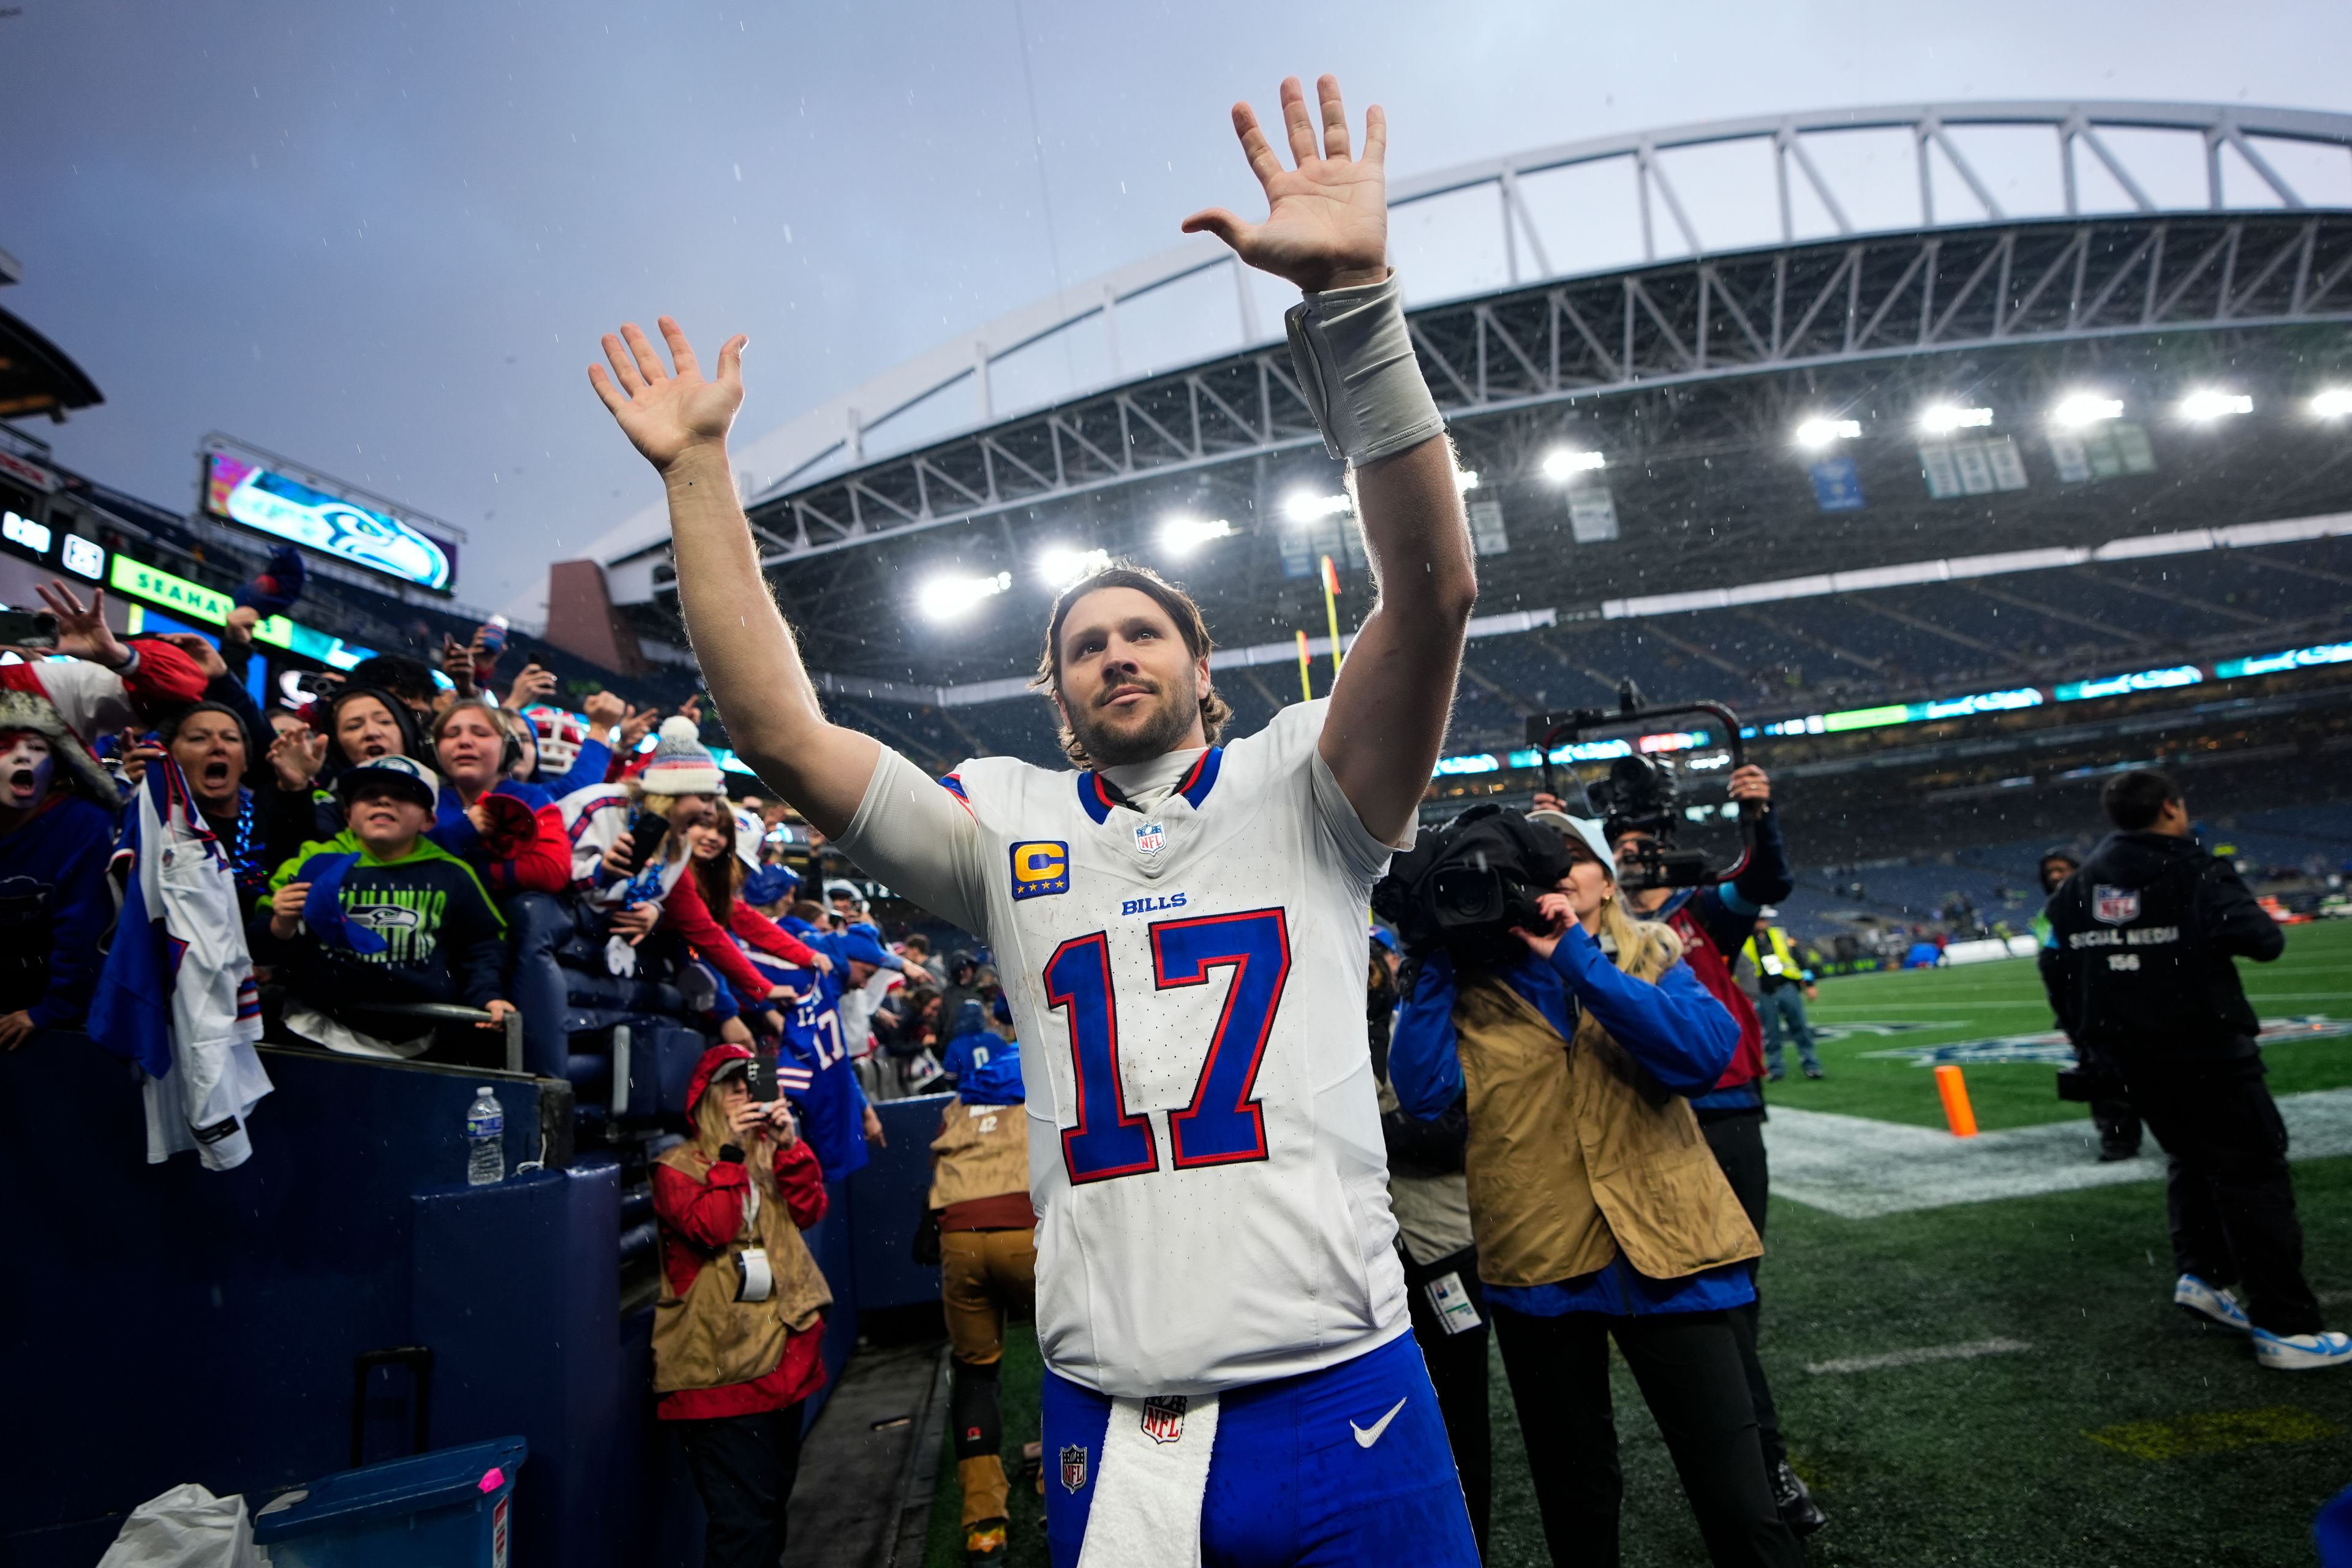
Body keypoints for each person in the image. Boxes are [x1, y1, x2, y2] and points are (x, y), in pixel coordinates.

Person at [590, 71, 1480, 1567]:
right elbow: (780, 737)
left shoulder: (1311, 787)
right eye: (1083, 643)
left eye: (1143, 632)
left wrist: (1355, 307)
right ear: (1055, 694)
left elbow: (1433, 586)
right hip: (1111, 1406)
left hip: (1342, 1382)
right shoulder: (1003, 823)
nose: (1115, 652)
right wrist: (696, 474)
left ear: (1205, 668)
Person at [1386, 813, 1803, 1568]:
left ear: (1605, 880)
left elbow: (1704, 1057)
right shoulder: (1465, 982)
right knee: (1577, 1507)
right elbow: (1422, 1093)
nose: (1561, 876)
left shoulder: (1651, 952)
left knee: (1741, 1503)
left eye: (1575, 859)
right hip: (1539, 1262)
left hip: (1674, 1253)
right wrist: (1431, 957)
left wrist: (1579, 961)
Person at [1578, 767, 1825, 1536]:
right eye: (1620, 848)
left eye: (1646, 845)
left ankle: (1760, 1458)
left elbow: (1770, 876)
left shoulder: (1703, 914)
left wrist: (1757, 814)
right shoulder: (1595, 928)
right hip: (1644, 1122)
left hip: (1721, 1114)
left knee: (1734, 1301)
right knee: (1706, 1306)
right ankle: (1756, 1464)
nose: (1637, 857)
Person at [2044, 768, 2350, 1370]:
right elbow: (2263, 940)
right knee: (2253, 1173)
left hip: (2130, 1061)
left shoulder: (2076, 888)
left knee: (2190, 1160)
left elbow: (2060, 970)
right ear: (2169, 808)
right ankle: (2286, 1327)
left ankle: (2203, 1277)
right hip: (2204, 1050)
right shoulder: (2191, 865)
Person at [652, 1042, 834, 1568]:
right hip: (720, 1377)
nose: (744, 1094)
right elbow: (713, 1228)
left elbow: (809, 1208)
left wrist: (789, 1145)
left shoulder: (769, 1153)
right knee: (744, 1528)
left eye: (752, 1083)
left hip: (781, 1362)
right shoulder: (677, 1168)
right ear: (707, 1098)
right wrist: (731, 1152)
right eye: (733, 1084)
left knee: (769, 1513)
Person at [253, 754, 516, 1058]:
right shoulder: (314, 862)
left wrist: (488, 996)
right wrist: (280, 923)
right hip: (316, 1031)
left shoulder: (452, 874)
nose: (383, 802)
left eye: (402, 796)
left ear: (429, 820)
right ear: (348, 815)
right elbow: (262, 946)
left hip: (420, 1040)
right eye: (369, 795)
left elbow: (483, 943)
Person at [1369, 931, 1491, 1559]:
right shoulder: (1323, 1032)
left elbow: (1447, 1130)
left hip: (1442, 1245)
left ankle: (1470, 1543)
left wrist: (1361, 1132)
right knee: (1382, 1417)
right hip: (1367, 1258)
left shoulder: (1430, 1018)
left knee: (1462, 1408)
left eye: (1377, 958)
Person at [925, 1033, 1038, 1561]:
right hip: (1023, 1232)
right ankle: (1059, 1475)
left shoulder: (958, 1106)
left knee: (976, 1369)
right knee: (1066, 1355)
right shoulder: (1040, 1093)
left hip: (960, 1239)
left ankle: (984, 1523)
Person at [2035, 846, 2142, 1162]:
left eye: (2062, 868)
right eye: (2050, 872)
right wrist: (2066, 1013)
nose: (2056, 876)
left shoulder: (2109, 903)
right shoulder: (2049, 914)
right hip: (2083, 1010)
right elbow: (2050, 964)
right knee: (2103, 1079)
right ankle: (2118, 1140)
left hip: (2124, 1003)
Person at [1741, 912, 1822, 1080]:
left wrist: (1810, 984)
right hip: (1762, 991)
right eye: (1759, 919)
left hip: (1786, 986)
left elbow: (1801, 961)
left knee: (1800, 1027)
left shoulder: (1781, 935)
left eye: (1764, 919)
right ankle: (1775, 1067)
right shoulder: (1745, 940)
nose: (1763, 923)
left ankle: (1811, 1064)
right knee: (1771, 1032)